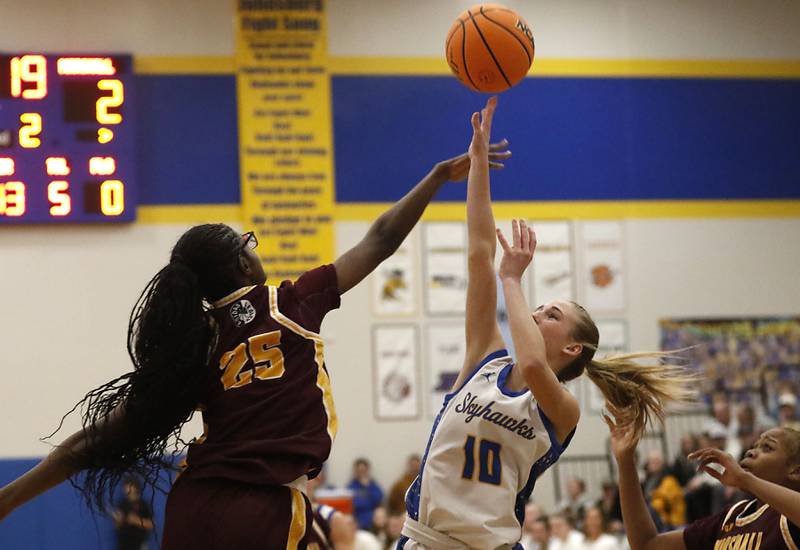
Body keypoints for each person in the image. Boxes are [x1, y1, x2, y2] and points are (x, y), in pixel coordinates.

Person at [0, 137, 512, 548]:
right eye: (250, 241)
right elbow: (379, 241)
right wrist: (438, 177)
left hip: (194, 503)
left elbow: (93, 440)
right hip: (263, 507)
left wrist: (8, 500)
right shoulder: (290, 303)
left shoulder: (193, 345)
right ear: (244, 263)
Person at [398, 96, 694, 549]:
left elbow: (535, 367)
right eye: (539, 307)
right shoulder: (483, 360)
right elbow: (480, 253)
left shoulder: (562, 409)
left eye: (551, 314)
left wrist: (512, 277)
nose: (536, 313)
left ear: (573, 348)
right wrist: (478, 164)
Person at [605, 409, 800, 549]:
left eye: (767, 448)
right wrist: (625, 461)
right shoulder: (732, 517)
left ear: (796, 471)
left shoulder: (786, 518)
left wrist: (745, 479)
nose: (751, 451)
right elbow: (646, 544)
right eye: (755, 445)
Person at [112, 477, 153, 550]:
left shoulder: (143, 505)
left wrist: (135, 520)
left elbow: (150, 525)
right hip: (123, 544)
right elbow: (118, 527)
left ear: (136, 487)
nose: (126, 488)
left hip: (139, 544)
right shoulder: (122, 504)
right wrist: (117, 521)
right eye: (125, 486)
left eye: (129, 486)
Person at [347, 458, 384, 530]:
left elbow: (378, 499)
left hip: (374, 522)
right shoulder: (351, 487)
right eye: (359, 471)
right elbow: (355, 504)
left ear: (367, 471)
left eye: (364, 471)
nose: (362, 474)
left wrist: (367, 487)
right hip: (357, 521)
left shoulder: (373, 485)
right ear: (355, 471)